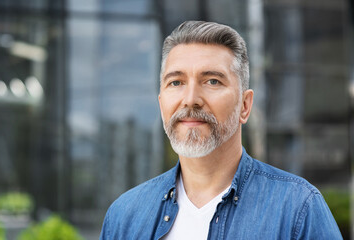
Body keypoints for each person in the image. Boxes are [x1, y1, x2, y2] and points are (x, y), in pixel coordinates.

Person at [99, 21, 342, 240]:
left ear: (245, 106)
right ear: (161, 103)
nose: (191, 99)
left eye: (212, 81)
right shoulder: (125, 215)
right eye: (177, 82)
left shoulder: (297, 209)